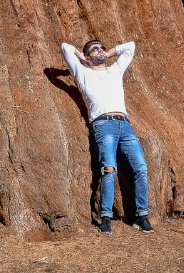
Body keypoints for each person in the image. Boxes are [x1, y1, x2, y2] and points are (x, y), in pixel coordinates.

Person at [60, 38, 152, 235]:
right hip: (103, 125)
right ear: (87, 56)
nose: (101, 51)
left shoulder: (115, 70)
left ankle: (142, 216)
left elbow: (131, 47)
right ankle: (106, 218)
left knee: (141, 168)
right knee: (109, 169)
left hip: (125, 125)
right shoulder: (82, 72)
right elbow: (65, 48)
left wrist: (107, 53)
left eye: (102, 48)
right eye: (96, 49)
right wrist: (82, 58)